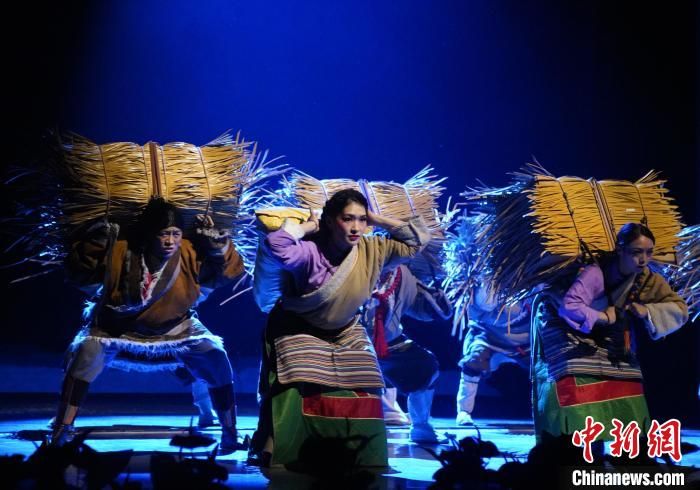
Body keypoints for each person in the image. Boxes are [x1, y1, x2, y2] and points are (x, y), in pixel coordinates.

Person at [249, 189, 430, 468]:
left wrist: (375, 218)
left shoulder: (374, 249)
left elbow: (417, 240)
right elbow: (276, 245)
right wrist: (309, 227)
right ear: (331, 221)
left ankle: (362, 450)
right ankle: (275, 445)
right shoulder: (310, 250)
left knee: (369, 379)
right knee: (293, 380)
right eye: (348, 219)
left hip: (345, 330)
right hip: (298, 327)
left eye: (361, 219)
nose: (356, 227)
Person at [51, 197, 247, 454]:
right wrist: (97, 241)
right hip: (117, 328)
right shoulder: (121, 248)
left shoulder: (189, 251)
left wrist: (216, 242)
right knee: (86, 353)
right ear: (149, 235)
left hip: (176, 327)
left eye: (175, 233)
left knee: (215, 355)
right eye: (163, 234)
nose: (170, 241)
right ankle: (62, 429)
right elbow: (77, 272)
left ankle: (230, 432)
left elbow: (230, 271)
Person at [532, 222, 688, 443]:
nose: (643, 259)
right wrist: (604, 317)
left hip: (600, 327)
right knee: (573, 370)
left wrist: (648, 311)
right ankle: (571, 440)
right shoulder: (595, 272)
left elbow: (680, 309)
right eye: (636, 252)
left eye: (648, 252)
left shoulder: (646, 278)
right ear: (620, 250)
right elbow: (569, 307)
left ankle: (625, 442)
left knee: (626, 372)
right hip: (561, 319)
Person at [360, 264, 451, 442]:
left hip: (388, 343)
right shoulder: (355, 264)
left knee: (425, 365)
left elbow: (417, 308)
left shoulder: (401, 274)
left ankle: (421, 427)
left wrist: (432, 302)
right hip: (349, 341)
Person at [456, 285, 532, 425]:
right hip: (488, 336)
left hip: (523, 342)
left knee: (544, 367)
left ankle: (546, 412)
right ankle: (464, 411)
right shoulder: (484, 284)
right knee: (475, 360)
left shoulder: (532, 281)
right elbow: (476, 311)